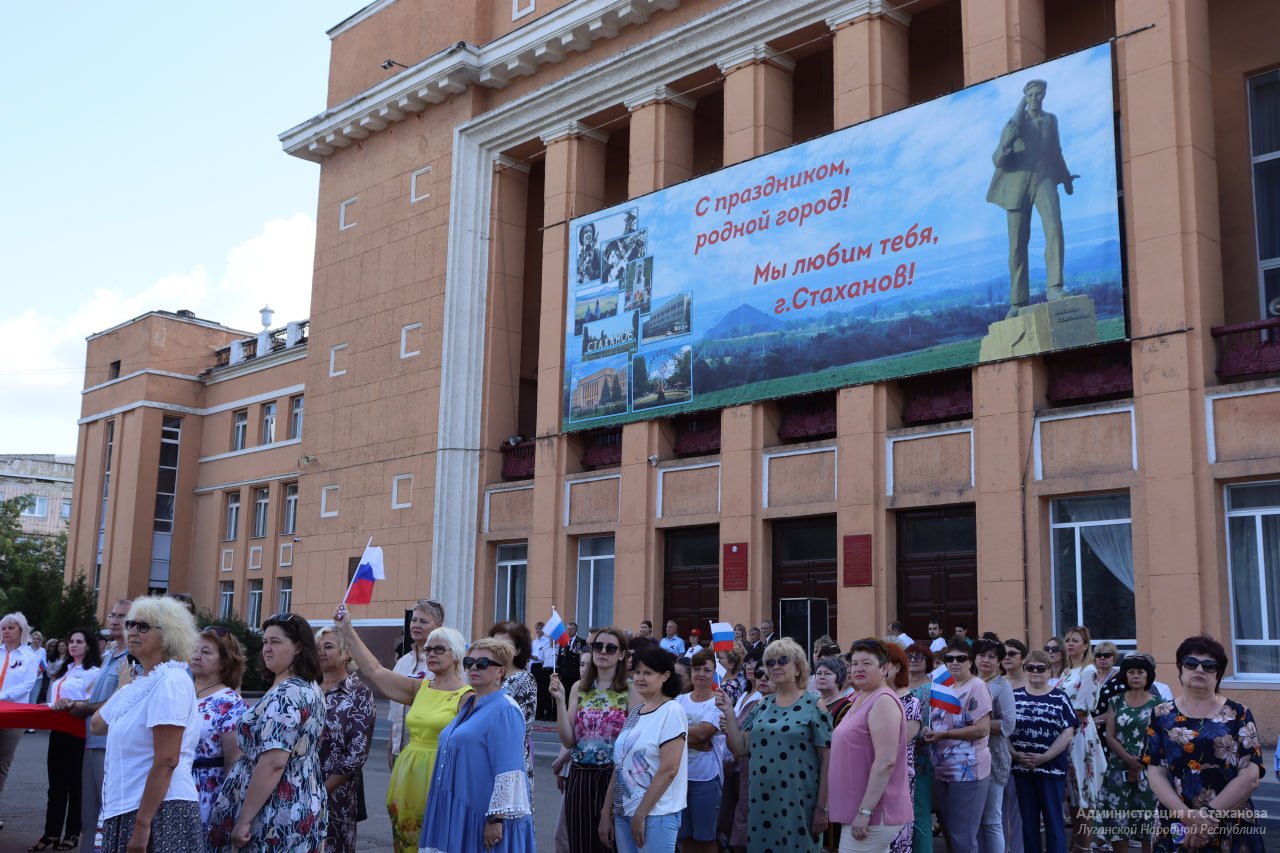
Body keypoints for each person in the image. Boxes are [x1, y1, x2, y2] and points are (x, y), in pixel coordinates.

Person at [333, 608, 469, 853]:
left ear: (457, 653)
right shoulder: (420, 688)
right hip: (406, 777)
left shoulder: (467, 697)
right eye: (429, 649)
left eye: (440, 649)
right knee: (405, 842)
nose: (432, 654)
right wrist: (347, 629)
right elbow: (374, 670)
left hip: (441, 776)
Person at [90, 597, 202, 852]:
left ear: (169, 636)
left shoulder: (171, 681)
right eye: (131, 624)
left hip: (159, 811)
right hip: (128, 806)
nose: (132, 631)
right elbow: (96, 725)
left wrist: (142, 825)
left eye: (143, 626)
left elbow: (167, 759)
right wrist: (122, 688)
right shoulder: (141, 682)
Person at [207, 613, 327, 852]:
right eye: (265, 642)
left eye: (276, 642)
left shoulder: (287, 695)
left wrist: (245, 820)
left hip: (275, 808)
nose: (267, 649)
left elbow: (273, 762)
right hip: (304, 797)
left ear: (298, 648)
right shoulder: (309, 687)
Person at [1143, 635, 1264, 852]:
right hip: (1175, 823)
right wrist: (1187, 817)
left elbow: (1250, 776)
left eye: (1209, 666)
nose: (1199, 670)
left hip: (1230, 823)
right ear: (1180, 669)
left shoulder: (1240, 714)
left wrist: (1207, 819)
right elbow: (1155, 772)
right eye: (1191, 663)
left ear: (1218, 674)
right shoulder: (1161, 714)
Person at [420, 638, 536, 852]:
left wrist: (495, 820)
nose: (473, 667)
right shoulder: (469, 704)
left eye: (482, 663)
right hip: (455, 808)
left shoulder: (505, 709)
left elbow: (509, 771)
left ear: (500, 672)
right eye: (469, 662)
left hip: (482, 813)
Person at [718, 637, 832, 853]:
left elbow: (827, 760)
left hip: (799, 802)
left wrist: (822, 808)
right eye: (770, 663)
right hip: (762, 802)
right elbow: (740, 748)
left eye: (782, 661)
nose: (775, 666)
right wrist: (729, 713)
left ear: (798, 668)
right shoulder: (763, 704)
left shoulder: (814, 704)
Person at [986, 78, 1078, 317]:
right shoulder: (1015, 123)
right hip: (1016, 187)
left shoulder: (1050, 120)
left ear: (1044, 95)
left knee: (1055, 228)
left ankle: (1055, 287)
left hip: (1043, 180)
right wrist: (1010, 135)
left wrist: (1066, 178)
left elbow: (1056, 152)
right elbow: (997, 159)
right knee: (1017, 245)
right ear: (1024, 98)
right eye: (1030, 95)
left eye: (1038, 94)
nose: (1034, 99)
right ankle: (1018, 301)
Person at [598, 646, 688, 853]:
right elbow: (620, 764)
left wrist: (641, 814)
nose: (639, 678)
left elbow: (669, 769)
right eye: (637, 672)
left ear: (665, 676)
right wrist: (606, 811)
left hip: (656, 814)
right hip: (623, 812)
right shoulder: (636, 712)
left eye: (647, 673)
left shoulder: (672, 710)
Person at [825, 638, 911, 853]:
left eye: (867, 663)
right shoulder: (859, 697)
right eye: (854, 663)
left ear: (884, 669)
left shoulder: (883, 701)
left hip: (873, 814)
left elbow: (886, 762)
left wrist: (865, 812)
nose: (858, 669)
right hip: (858, 811)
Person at [550, 625, 629, 853]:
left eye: (610, 648)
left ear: (622, 654)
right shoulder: (579, 688)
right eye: (598, 646)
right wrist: (559, 701)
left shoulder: (630, 691)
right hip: (580, 776)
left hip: (613, 778)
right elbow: (568, 740)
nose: (602, 652)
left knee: (610, 844)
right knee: (580, 844)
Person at [65, 598, 131, 853]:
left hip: (111, 743)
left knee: (109, 811)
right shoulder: (111, 654)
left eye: (122, 616)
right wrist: (76, 702)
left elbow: (122, 698)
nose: (114, 620)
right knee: (89, 813)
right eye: (113, 615)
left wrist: (85, 708)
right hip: (92, 740)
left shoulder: (132, 659)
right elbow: (97, 698)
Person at [920, 638, 992, 853]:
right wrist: (929, 730)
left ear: (970, 662)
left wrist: (945, 734)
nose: (955, 663)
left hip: (968, 770)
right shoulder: (945, 686)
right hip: (943, 768)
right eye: (949, 659)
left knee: (963, 835)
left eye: (961, 658)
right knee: (951, 832)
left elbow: (982, 729)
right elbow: (937, 720)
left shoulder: (977, 686)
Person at [34, 628, 101, 851]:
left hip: (78, 732)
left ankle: (72, 833)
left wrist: (72, 703)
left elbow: (91, 701)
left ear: (89, 646)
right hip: (58, 731)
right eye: (71, 641)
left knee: (76, 785)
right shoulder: (66, 670)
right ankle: (51, 832)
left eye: (79, 642)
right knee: (55, 785)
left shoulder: (94, 672)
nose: (73, 645)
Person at [315, 626, 375, 853]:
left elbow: (356, 753)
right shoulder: (307, 688)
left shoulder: (358, 693)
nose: (321, 652)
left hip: (336, 796)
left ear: (346, 653)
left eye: (328, 647)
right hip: (298, 789)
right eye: (318, 647)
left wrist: (321, 791)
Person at [1010, 650, 1076, 853]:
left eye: (1040, 668)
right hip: (1022, 769)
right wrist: (1015, 754)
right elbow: (1004, 730)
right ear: (1025, 669)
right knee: (1028, 823)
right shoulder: (1013, 696)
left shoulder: (1060, 697)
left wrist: (1045, 757)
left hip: (1052, 770)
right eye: (1030, 667)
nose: (1035, 672)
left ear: (1049, 671)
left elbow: (1068, 731)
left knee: (1053, 820)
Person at [1094, 653, 1157, 853]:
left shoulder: (1159, 703)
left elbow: (1158, 740)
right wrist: (1128, 760)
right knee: (1117, 820)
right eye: (1131, 672)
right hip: (1118, 767)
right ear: (1125, 675)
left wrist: (1139, 765)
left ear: (1149, 676)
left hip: (1148, 769)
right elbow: (1110, 736)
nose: (1136, 676)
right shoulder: (1116, 701)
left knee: (1149, 820)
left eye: (1141, 672)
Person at [187, 626, 247, 832]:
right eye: (194, 649)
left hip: (207, 794)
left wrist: (227, 809)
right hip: (173, 787)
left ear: (224, 662)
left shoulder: (230, 702)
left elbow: (234, 762)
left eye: (206, 652)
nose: (196, 655)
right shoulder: (181, 693)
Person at [1057, 626, 1106, 851]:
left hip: (1079, 736)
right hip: (1063, 735)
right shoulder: (1066, 672)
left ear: (1086, 646)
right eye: (1067, 640)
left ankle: (1084, 847)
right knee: (1072, 796)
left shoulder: (1089, 671)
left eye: (1075, 640)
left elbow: (1085, 708)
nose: (1070, 644)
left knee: (1082, 793)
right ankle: (1075, 845)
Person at [676, 651, 724, 853]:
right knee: (684, 837)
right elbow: (665, 733)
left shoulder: (719, 702)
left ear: (714, 673)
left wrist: (678, 735)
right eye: (697, 669)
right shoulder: (679, 700)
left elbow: (704, 734)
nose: (701, 674)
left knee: (705, 839)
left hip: (706, 778)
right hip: (678, 778)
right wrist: (691, 742)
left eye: (707, 670)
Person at [388, 599, 442, 770]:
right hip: (401, 751)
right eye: (414, 620)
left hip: (430, 753)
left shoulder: (446, 664)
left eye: (423, 621)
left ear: (438, 627)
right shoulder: (403, 662)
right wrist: (392, 744)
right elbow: (395, 711)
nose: (416, 625)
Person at [0, 612, 41, 832]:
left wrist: (1, 697)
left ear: (21, 631)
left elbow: (27, 685)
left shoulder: (29, 656)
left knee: (2, 762)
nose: (6, 631)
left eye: (11, 628)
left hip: (13, 713)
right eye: (4, 627)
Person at [973, 637, 1015, 853]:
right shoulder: (970, 682)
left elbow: (1008, 725)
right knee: (974, 821)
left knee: (992, 819)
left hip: (994, 756)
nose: (985, 660)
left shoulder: (1002, 685)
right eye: (981, 655)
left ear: (999, 661)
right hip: (968, 758)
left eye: (991, 656)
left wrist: (976, 724)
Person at [884, 642, 923, 853]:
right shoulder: (871, 697)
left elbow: (902, 742)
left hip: (898, 774)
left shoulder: (911, 702)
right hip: (873, 773)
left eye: (884, 663)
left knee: (897, 835)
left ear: (897, 667)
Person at [490, 621, 537, 790]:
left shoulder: (524, 679)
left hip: (511, 757)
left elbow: (523, 724)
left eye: (506, 644)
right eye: (494, 643)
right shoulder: (488, 676)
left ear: (518, 650)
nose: (498, 648)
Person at [903, 643, 934, 853]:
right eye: (910, 656)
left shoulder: (934, 688)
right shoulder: (897, 686)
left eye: (919, 657)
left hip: (922, 759)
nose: (913, 660)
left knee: (920, 816)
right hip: (897, 759)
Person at [814, 655, 853, 727]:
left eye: (827, 673)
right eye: (819, 673)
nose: (822, 677)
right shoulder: (811, 703)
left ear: (839, 678)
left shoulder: (846, 708)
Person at [1089, 641, 1122, 721]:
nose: (1102, 658)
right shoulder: (1089, 676)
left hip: (1108, 727)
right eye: (1099, 655)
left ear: (1114, 658)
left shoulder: (1121, 679)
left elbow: (1120, 707)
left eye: (1107, 655)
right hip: (1087, 727)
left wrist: (1095, 720)